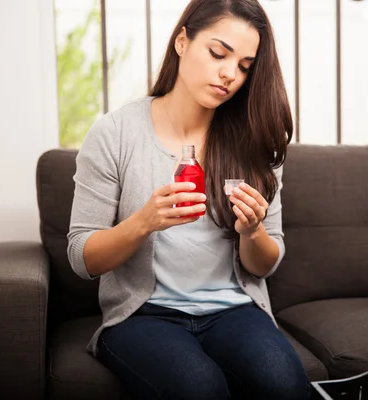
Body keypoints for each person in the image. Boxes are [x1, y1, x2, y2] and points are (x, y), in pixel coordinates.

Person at [67, 0, 309, 399]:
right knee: (199, 388)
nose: (230, 73)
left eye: (245, 66)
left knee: (282, 383)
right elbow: (82, 257)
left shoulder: (254, 142)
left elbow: (265, 263)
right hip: (144, 316)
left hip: (233, 311)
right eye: (218, 53)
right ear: (182, 41)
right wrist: (143, 222)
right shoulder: (116, 133)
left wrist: (252, 231)